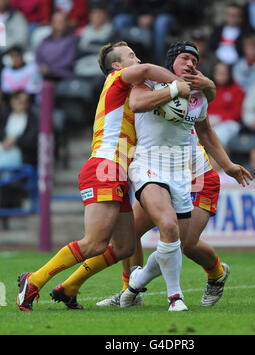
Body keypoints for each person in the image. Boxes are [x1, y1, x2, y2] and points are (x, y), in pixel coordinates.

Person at [50, 41, 252, 312]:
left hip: (197, 176)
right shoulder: (146, 84)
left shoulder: (197, 94)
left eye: (195, 60)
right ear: (171, 63)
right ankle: (121, 289)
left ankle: (215, 273)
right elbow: (136, 103)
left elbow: (206, 130)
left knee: (184, 244)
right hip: (158, 171)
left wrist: (227, 165)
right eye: (185, 58)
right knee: (130, 235)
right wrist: (177, 87)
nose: (191, 63)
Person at [16, 41, 188, 311]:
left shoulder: (130, 93)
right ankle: (34, 280)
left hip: (116, 171)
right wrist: (178, 85)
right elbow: (145, 70)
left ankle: (73, 287)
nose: (137, 58)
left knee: (125, 247)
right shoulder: (117, 78)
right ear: (117, 65)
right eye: (131, 56)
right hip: (105, 166)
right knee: (95, 242)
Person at [207, 61, 245, 148]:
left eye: (223, 73)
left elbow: (237, 113)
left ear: (229, 74)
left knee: (216, 137)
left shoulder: (236, 89)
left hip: (229, 123)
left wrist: (220, 119)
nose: (221, 76)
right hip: (209, 122)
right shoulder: (208, 89)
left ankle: (217, 161)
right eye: (218, 73)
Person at [35, 11, 77, 81]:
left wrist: (50, 69)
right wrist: (41, 66)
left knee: (46, 86)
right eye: (55, 22)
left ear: (67, 23)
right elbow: (38, 55)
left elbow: (67, 62)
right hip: (43, 74)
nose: (58, 25)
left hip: (62, 76)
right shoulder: (46, 40)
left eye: (61, 22)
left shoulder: (71, 41)